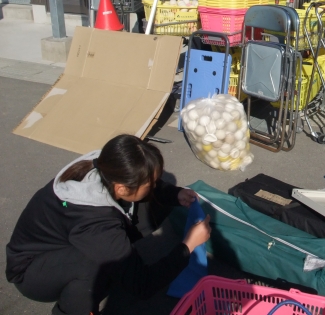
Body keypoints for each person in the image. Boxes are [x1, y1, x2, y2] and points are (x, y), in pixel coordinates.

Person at [5, 134, 211, 315]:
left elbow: (148, 189)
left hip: (68, 243)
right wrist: (188, 246)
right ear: (121, 189)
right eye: (150, 184)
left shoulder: (106, 165)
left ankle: (120, 267)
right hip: (31, 272)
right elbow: (143, 285)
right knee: (92, 265)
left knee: (156, 202)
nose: (155, 185)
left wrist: (174, 194)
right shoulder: (95, 224)